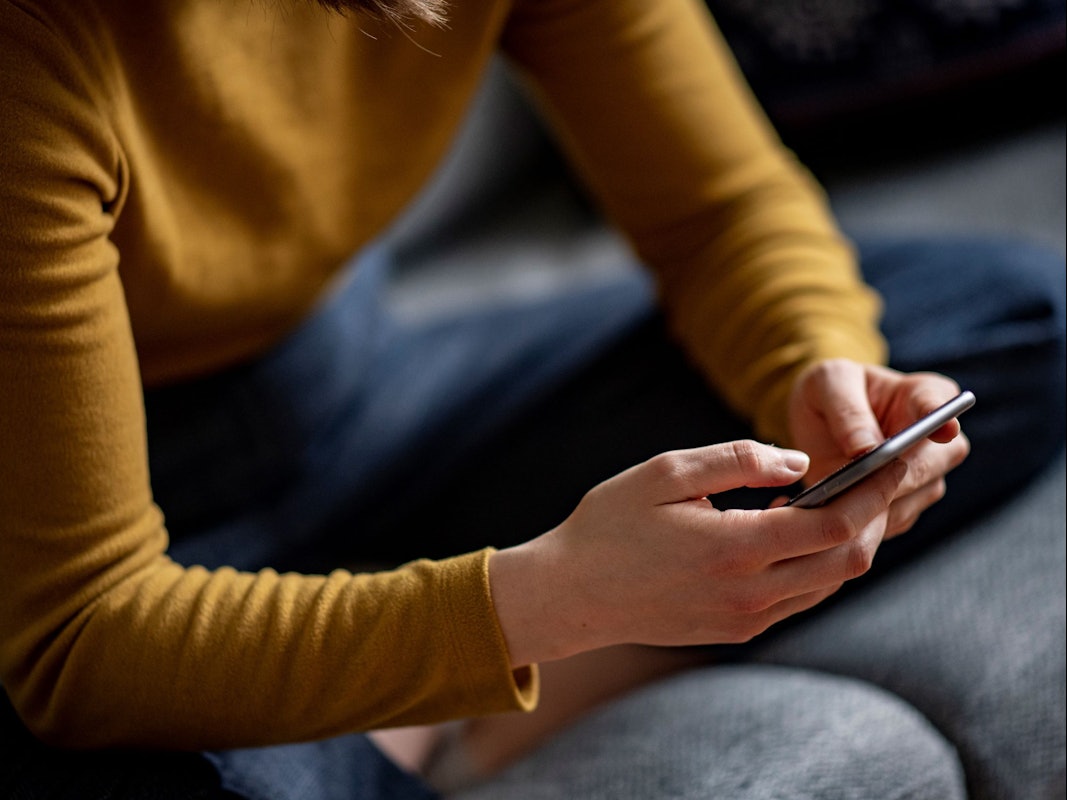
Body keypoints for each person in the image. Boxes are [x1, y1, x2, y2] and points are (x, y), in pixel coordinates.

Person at [0, 0, 1063, 798]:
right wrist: (542, 602)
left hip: (356, 383)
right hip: (106, 506)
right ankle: (425, 690)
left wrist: (816, 373)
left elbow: (717, 213)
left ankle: (411, 666)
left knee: (1009, 321)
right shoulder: (39, 46)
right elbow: (78, 629)